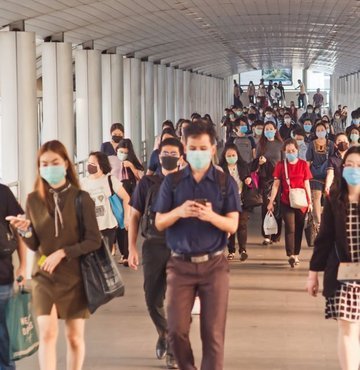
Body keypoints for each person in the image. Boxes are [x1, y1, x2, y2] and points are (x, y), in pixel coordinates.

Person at [153, 121, 241, 370]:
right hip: (180, 265)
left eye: (203, 148)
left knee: (213, 334)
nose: (198, 153)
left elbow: (233, 225)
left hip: (214, 265)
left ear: (213, 149)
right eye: (193, 148)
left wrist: (211, 216)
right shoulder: (173, 183)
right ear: (184, 148)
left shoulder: (225, 183)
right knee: (176, 330)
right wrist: (180, 211)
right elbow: (159, 222)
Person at [9, 140, 101, 370]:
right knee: (48, 334)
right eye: (44, 163)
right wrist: (25, 230)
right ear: (39, 167)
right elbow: (34, 244)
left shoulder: (82, 198)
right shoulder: (32, 200)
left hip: (75, 276)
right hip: (43, 275)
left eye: (55, 162)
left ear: (67, 165)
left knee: (74, 337)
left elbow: (94, 240)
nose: (50, 167)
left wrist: (63, 253)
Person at [128, 138, 184, 369]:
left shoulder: (189, 182)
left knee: (178, 301)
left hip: (181, 246)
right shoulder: (147, 183)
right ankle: (164, 332)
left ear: (181, 158)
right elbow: (134, 215)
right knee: (152, 298)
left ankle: (173, 349)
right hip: (153, 245)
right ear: (158, 156)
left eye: (173, 153)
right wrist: (131, 247)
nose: (168, 156)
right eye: (165, 152)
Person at [307, 146, 360, 370]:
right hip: (344, 274)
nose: (354, 170)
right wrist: (313, 274)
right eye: (349, 165)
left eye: (359, 166)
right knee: (347, 330)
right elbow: (325, 239)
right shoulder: (334, 199)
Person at [267, 139, 312, 267]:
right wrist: (271, 202)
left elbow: (306, 183)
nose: (291, 153)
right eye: (288, 151)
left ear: (297, 151)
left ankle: (296, 254)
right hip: (286, 201)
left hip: (302, 202)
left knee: (298, 229)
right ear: (284, 152)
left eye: (293, 151)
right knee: (290, 228)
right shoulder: (281, 165)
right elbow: (276, 185)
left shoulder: (303, 165)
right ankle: (291, 255)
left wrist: (310, 202)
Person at [0, 184, 27, 370]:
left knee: (3, 335)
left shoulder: (3, 193)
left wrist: (24, 265)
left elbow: (19, 230)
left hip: (2, 277)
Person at [80, 151, 130, 249]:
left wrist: (126, 218)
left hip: (108, 227)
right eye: (89, 163)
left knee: (104, 257)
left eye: (93, 164)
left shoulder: (110, 180)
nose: (90, 166)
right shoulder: (82, 182)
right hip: (88, 227)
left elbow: (126, 197)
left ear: (102, 165)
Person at [113, 138, 144, 265]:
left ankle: (127, 254)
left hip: (132, 195)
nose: (122, 154)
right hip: (116, 196)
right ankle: (123, 252)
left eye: (125, 152)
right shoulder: (113, 162)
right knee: (120, 223)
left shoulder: (135, 163)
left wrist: (131, 166)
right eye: (120, 151)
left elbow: (141, 178)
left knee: (128, 223)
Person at [219, 144, 252, 261]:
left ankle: (243, 250)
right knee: (230, 226)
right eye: (229, 155)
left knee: (242, 225)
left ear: (237, 155)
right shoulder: (221, 169)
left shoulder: (243, 166)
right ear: (224, 156)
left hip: (242, 199)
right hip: (227, 200)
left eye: (233, 155)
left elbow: (250, 180)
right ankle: (231, 250)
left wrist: (249, 180)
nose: (231, 157)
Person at [253, 122, 283, 245]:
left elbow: (284, 161)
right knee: (266, 205)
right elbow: (256, 161)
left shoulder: (281, 144)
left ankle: (276, 234)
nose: (269, 131)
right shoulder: (261, 144)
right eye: (267, 129)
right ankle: (266, 234)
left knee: (278, 205)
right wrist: (260, 162)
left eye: (271, 129)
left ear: (275, 130)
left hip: (278, 178)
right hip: (266, 178)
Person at [306, 122, 335, 228]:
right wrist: (306, 174)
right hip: (315, 174)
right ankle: (318, 223)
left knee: (328, 197)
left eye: (322, 130)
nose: (320, 132)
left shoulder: (331, 144)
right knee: (316, 197)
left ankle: (329, 221)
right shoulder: (312, 144)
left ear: (326, 131)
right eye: (318, 130)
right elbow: (309, 160)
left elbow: (333, 159)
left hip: (329, 173)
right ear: (315, 132)